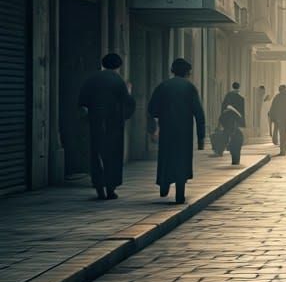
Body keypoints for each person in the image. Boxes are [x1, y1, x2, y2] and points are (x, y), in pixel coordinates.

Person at [147, 58, 206, 204]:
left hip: (167, 129)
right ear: (187, 72)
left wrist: (154, 126)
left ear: (172, 70)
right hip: (184, 131)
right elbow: (198, 113)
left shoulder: (163, 86)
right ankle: (180, 193)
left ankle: (164, 183)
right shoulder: (189, 87)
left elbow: (152, 109)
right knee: (182, 160)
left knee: (166, 157)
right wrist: (201, 137)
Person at [77, 52, 135, 200]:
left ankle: (99, 187)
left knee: (97, 154)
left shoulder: (92, 79)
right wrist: (129, 94)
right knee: (113, 155)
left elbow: (82, 101)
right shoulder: (118, 80)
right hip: (114, 123)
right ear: (118, 66)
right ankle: (110, 189)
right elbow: (127, 102)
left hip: (96, 122)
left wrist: (88, 118)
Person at [268, 84, 286, 156]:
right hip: (285, 117)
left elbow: (273, 107)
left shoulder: (278, 97)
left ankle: (282, 148)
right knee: (283, 133)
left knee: (281, 132)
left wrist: (271, 114)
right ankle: (283, 148)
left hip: (278, 117)